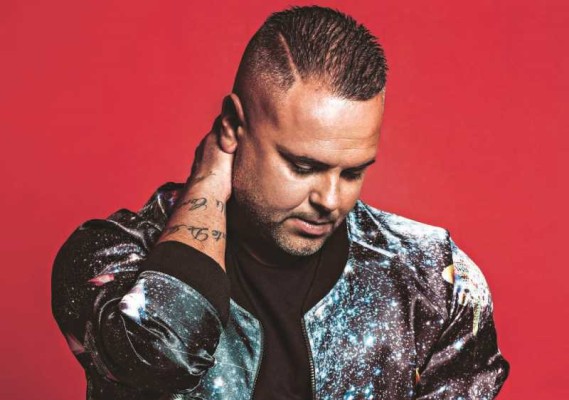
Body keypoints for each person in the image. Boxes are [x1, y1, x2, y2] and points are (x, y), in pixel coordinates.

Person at [52, 6, 509, 400]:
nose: (330, 200)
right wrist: (208, 181)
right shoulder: (111, 256)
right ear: (232, 128)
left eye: (353, 172)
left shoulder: (435, 281)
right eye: (303, 167)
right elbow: (161, 354)